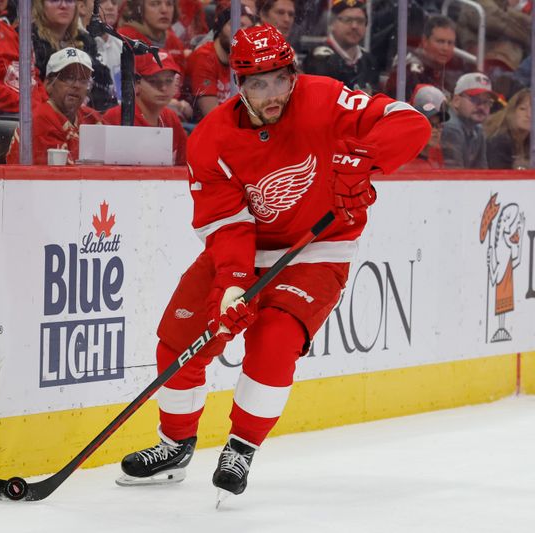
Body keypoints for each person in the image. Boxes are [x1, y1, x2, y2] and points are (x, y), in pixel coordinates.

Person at [116, 24, 429, 501]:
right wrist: (233, 285)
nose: (271, 94)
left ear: (293, 73)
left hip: (319, 248)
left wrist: (365, 159)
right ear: (237, 85)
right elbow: (228, 225)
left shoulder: (325, 99)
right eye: (257, 84)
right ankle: (175, 445)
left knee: (276, 337)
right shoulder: (211, 140)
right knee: (179, 338)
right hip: (244, 250)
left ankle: (240, 446)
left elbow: (410, 121)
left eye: (279, 80)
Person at [7, 47, 102, 164]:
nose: (77, 85)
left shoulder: (92, 117)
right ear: (49, 84)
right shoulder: (39, 121)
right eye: (69, 78)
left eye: (83, 80)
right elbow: (64, 178)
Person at [102, 51, 188, 165]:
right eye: (153, 81)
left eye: (169, 80)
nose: (163, 88)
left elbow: (185, 166)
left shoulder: (171, 118)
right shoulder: (117, 117)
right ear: (136, 84)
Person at [31, 0, 117, 111]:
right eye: (54, 0)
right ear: (40, 6)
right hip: (45, 113)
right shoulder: (28, 39)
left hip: (83, 116)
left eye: (69, 1)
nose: (63, 6)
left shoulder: (86, 41)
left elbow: (102, 88)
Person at [183, 6, 255, 120]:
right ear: (220, 27)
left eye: (248, 29)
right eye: (236, 25)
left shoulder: (243, 61)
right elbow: (213, 117)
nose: (242, 34)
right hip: (199, 129)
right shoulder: (204, 57)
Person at [302, 0, 379, 95]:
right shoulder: (319, 59)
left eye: (360, 21)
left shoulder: (369, 61)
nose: (354, 26)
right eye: (347, 20)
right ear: (331, 24)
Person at [384, 15, 466, 101]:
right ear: (425, 41)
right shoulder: (409, 70)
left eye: (450, 43)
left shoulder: (452, 71)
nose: (445, 48)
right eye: (440, 41)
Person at [441, 72, 495, 169]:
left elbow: (482, 173)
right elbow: (454, 176)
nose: (482, 107)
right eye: (475, 99)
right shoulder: (451, 127)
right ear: (456, 101)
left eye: (486, 102)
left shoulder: (478, 129)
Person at [117, 0, 187, 73]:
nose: (164, 10)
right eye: (154, 4)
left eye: (169, 4)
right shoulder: (124, 39)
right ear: (139, 8)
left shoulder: (175, 42)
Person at [404, 84, 450, 170]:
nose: (436, 130)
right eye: (430, 124)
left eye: (439, 125)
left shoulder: (436, 151)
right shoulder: (407, 164)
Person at [484, 88, 531, 169]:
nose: (529, 115)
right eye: (522, 109)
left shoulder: (530, 141)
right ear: (511, 112)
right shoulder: (500, 141)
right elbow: (501, 178)